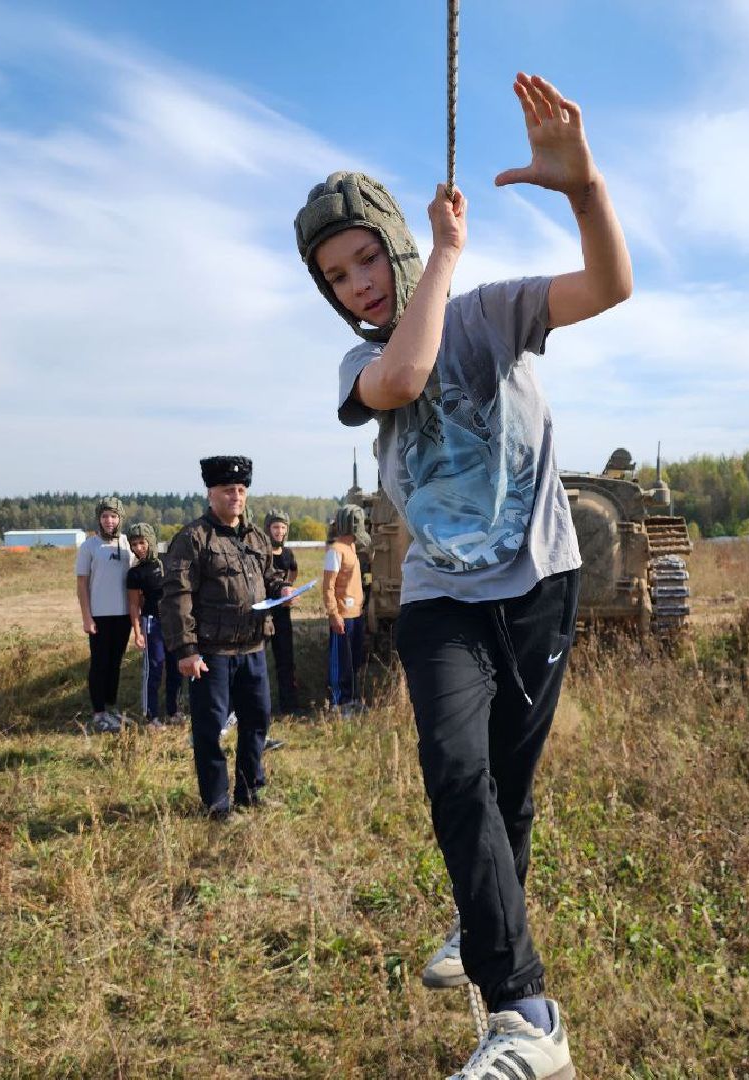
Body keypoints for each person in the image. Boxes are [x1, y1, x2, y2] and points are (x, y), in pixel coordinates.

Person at [294, 72, 631, 1077]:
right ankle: (527, 1018)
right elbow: (400, 378)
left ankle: (479, 921)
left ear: (391, 243)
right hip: (443, 599)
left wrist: (582, 189)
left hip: (538, 582)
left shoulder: (494, 315)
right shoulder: (355, 370)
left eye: (366, 258)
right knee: (456, 773)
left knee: (508, 795)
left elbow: (610, 285)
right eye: (336, 275)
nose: (357, 283)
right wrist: (438, 258)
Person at [160, 456, 293, 818]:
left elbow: (268, 577)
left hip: (252, 648)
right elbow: (176, 597)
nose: (236, 496)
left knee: (257, 723)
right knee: (210, 729)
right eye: (227, 490)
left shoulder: (256, 537)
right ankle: (217, 804)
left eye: (241, 490)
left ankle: (250, 792)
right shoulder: (193, 539)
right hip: (212, 654)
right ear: (211, 493)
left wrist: (282, 589)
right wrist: (186, 650)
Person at [75, 496, 133, 734]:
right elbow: (82, 585)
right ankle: (98, 713)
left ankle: (111, 707)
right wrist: (87, 617)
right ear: (99, 519)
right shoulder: (89, 546)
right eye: (105, 516)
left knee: (116, 663)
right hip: (99, 615)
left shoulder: (128, 543)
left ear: (120, 518)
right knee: (99, 664)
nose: (109, 521)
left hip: (123, 615)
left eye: (113, 516)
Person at [126, 523, 182, 728]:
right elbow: (134, 604)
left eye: (142, 542)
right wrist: (138, 632)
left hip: (174, 623)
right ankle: (151, 716)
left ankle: (174, 711)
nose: (139, 548)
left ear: (151, 541)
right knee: (155, 667)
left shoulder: (168, 561)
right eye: (134, 544)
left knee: (176, 667)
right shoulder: (135, 573)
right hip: (152, 623)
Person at [322, 505, 367, 710]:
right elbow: (328, 586)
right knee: (340, 661)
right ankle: (339, 702)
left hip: (357, 614)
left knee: (354, 660)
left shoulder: (352, 547)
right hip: (343, 615)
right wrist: (334, 614)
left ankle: (353, 699)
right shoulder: (335, 550)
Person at [262, 510, 301, 714]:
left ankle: (289, 706)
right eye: (276, 527)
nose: (280, 531)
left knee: (286, 660)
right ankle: (259, 706)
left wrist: (288, 589)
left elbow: (293, 571)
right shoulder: (262, 553)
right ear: (268, 529)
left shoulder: (287, 553)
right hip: (265, 614)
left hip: (283, 613)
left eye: (283, 527)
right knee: (257, 661)